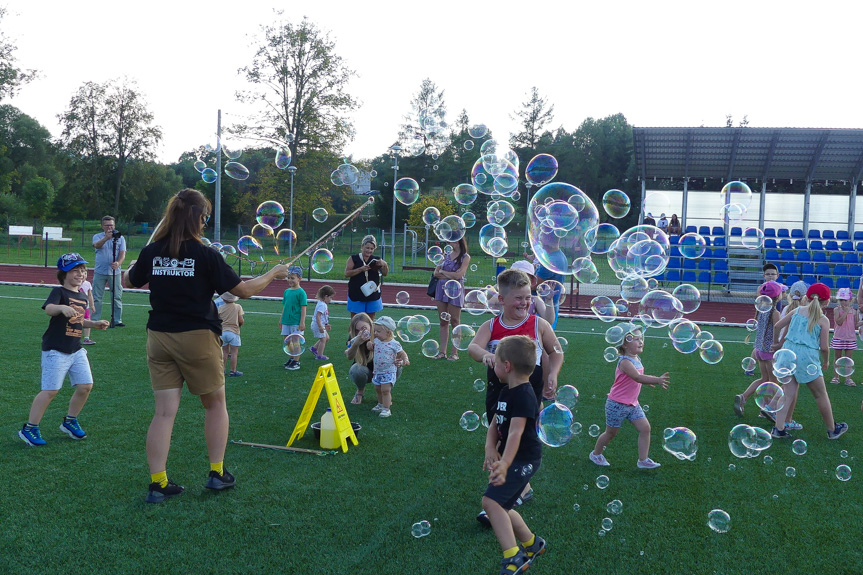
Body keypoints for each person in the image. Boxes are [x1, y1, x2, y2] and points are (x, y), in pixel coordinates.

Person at [124, 188, 290, 503]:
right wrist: (274, 272)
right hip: (197, 337)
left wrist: (133, 265)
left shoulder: (153, 250)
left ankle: (158, 483)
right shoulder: (207, 255)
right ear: (199, 217)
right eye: (206, 217)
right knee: (215, 405)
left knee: (163, 414)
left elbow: (129, 281)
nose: (205, 222)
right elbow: (244, 291)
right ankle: (217, 474)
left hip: (158, 337)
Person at [469, 269, 564, 526]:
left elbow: (556, 352)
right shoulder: (491, 325)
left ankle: (507, 495)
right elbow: (473, 347)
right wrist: (485, 355)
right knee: (501, 435)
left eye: (528, 298)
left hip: (528, 392)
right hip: (498, 390)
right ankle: (520, 487)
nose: (524, 303)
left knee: (520, 439)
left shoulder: (538, 324)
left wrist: (553, 374)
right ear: (502, 300)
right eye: (518, 299)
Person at [18, 253, 110, 446]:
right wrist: (61, 308)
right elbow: (49, 309)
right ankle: (30, 428)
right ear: (64, 274)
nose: (81, 273)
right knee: (50, 390)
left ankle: (70, 421)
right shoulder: (59, 292)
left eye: (83, 270)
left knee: (85, 386)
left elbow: (78, 320)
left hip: (75, 349)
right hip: (56, 349)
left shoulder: (82, 296)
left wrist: (94, 324)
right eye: (75, 270)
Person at [481, 334, 546, 574]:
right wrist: (490, 447)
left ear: (506, 366)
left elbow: (516, 433)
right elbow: (495, 424)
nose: (493, 365)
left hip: (523, 459)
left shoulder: (525, 396)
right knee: (502, 506)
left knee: (491, 502)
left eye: (495, 362)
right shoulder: (507, 391)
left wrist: (506, 463)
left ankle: (514, 557)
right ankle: (533, 544)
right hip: (513, 458)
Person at [770, 283, 848, 440]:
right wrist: (826, 361)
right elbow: (824, 347)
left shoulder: (797, 310)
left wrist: (777, 343)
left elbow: (777, 325)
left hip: (788, 352)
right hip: (808, 357)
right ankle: (832, 429)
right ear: (826, 302)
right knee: (820, 394)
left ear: (807, 297)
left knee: (788, 393)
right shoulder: (823, 320)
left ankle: (778, 429)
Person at [590, 323, 669, 469]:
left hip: (632, 404)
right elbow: (637, 377)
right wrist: (656, 380)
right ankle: (596, 454)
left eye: (641, 338)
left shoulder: (636, 359)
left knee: (645, 428)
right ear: (625, 345)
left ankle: (643, 460)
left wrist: (647, 381)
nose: (641, 341)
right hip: (617, 404)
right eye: (636, 339)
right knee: (611, 433)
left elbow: (639, 377)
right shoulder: (625, 361)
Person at [733, 281, 782, 419]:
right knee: (773, 382)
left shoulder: (761, 310)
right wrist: (777, 344)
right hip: (769, 351)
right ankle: (767, 409)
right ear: (777, 297)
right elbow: (776, 330)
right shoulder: (775, 312)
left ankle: (743, 397)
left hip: (759, 350)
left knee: (764, 378)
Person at [433, 238, 471, 360]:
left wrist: (444, 272)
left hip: (456, 289)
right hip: (441, 289)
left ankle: (454, 352)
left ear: (459, 242)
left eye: (452, 241)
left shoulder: (465, 257)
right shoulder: (444, 255)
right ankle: (442, 352)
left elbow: (459, 276)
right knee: (443, 321)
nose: (449, 244)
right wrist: (450, 274)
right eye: (449, 241)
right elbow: (436, 273)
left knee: (455, 321)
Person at [366, 316, 409, 418]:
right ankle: (380, 404)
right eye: (375, 331)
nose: (375, 333)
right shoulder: (376, 341)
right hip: (378, 371)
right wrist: (369, 345)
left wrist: (405, 360)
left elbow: (402, 353)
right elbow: (373, 349)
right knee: (378, 388)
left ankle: (386, 409)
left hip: (388, 371)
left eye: (378, 331)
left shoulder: (394, 344)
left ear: (388, 333)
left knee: (385, 390)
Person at [92, 215, 126, 327]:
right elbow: (96, 246)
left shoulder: (120, 238)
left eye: (111, 225)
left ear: (114, 225)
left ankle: (117, 320)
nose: (109, 228)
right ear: (102, 226)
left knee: (117, 296)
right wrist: (106, 238)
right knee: (97, 296)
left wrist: (118, 263)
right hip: (100, 271)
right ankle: (95, 319)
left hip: (114, 272)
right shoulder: (97, 236)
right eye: (107, 225)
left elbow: (122, 254)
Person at [345, 235, 388, 320]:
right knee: (355, 319)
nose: (369, 250)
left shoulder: (376, 260)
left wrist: (384, 265)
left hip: (372, 293)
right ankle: (354, 334)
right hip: (356, 293)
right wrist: (361, 269)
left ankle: (369, 333)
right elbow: (347, 273)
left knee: (370, 319)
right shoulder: (354, 258)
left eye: (371, 249)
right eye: (367, 248)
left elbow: (385, 273)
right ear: (362, 246)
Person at [281, 266, 307, 371]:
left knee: (296, 341)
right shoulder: (286, 291)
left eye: (292, 278)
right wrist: (281, 319)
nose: (290, 280)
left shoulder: (301, 292)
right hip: (286, 321)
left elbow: (303, 309)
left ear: (299, 278)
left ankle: (296, 361)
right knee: (287, 341)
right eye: (289, 278)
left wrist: (302, 322)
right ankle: (291, 358)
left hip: (295, 321)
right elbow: (285, 306)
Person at [345, 313, 374, 405]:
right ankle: (360, 391)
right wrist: (356, 344)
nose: (361, 333)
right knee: (356, 369)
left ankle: (385, 392)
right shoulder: (353, 338)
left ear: (370, 325)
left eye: (364, 328)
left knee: (396, 366)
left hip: (381, 369)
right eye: (357, 330)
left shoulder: (379, 333)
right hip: (365, 370)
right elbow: (349, 356)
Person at [831, 287, 857, 386]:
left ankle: (848, 378)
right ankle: (836, 377)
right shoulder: (836, 310)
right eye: (841, 300)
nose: (843, 302)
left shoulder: (854, 311)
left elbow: (855, 323)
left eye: (845, 300)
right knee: (837, 357)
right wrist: (845, 312)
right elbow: (839, 322)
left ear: (850, 300)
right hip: (839, 337)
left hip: (850, 338)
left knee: (848, 359)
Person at [218, 291, 244, 377]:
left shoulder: (221, 308)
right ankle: (233, 371)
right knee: (234, 353)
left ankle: (222, 370)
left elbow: (218, 320)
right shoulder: (238, 307)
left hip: (223, 332)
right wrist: (239, 326)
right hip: (234, 332)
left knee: (224, 352)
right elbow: (241, 320)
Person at [310, 285, 335, 361]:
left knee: (326, 338)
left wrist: (326, 324)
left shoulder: (322, 304)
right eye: (330, 297)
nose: (331, 299)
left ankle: (314, 349)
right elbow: (318, 316)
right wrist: (320, 326)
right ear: (326, 296)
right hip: (317, 325)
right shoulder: (322, 305)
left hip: (320, 324)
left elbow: (323, 316)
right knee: (323, 340)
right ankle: (319, 355)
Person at [80, 274, 96, 345]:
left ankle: (86, 338)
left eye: (85, 273)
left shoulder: (87, 284)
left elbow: (90, 295)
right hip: (75, 307)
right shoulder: (73, 283)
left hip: (85, 307)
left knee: (87, 321)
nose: (83, 275)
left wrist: (92, 305)